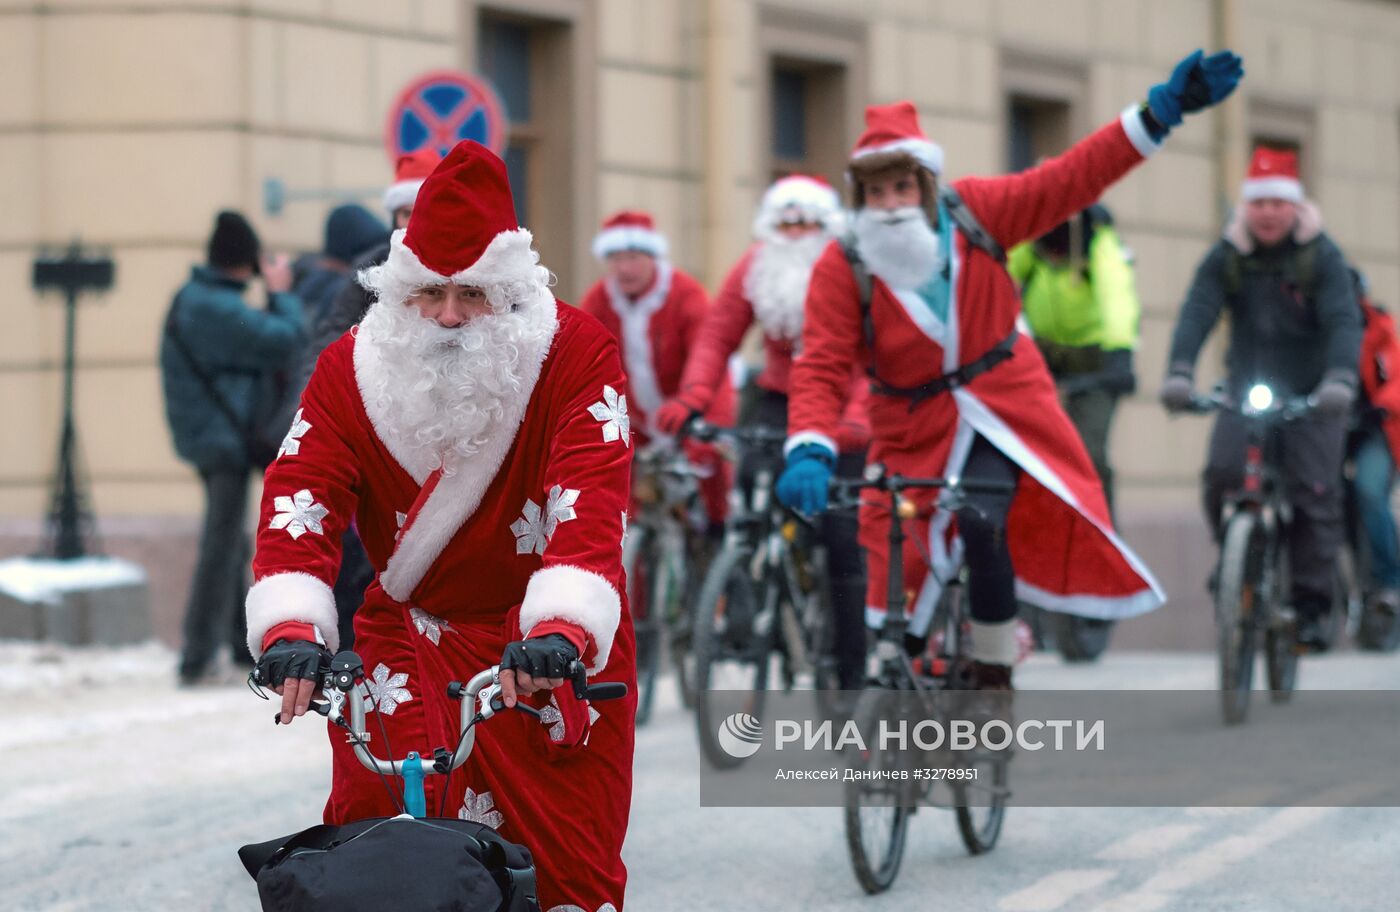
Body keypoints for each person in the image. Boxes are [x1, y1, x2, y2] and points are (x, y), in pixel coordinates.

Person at [245, 140, 634, 911]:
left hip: (542, 648)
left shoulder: (575, 354)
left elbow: (588, 496)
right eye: (427, 292)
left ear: (512, 292)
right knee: (371, 858)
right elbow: (302, 492)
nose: (448, 316)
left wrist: (563, 628)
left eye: (473, 294)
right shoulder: (348, 369)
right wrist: (292, 628)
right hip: (404, 638)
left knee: (565, 870)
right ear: (397, 290)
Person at [778, 48, 1245, 688]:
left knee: (978, 516)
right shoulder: (845, 263)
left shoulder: (978, 214)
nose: (890, 203)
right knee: (895, 562)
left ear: (927, 186)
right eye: (877, 190)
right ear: (861, 195)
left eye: (904, 186)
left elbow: (1074, 177)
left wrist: (1159, 112)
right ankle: (907, 680)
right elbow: (823, 362)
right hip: (911, 426)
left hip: (1001, 406)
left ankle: (994, 666)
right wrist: (809, 446)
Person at [655, 175, 871, 688]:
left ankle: (849, 668)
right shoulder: (757, 266)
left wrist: (860, 418)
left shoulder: (851, 267)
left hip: (846, 405)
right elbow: (716, 334)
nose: (796, 232)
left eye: (808, 222)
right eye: (786, 222)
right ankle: (744, 605)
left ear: (828, 226)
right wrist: (692, 396)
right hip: (778, 400)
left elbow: (876, 356)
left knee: (842, 536)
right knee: (746, 494)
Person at [1161, 146, 1362, 651]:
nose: (1268, 213)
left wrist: (1339, 380)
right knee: (1222, 474)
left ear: (1294, 206)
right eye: (1260, 203)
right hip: (1244, 391)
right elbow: (1197, 311)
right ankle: (1236, 560)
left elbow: (1343, 320)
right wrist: (1179, 373)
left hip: (1315, 396)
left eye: (1278, 203)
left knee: (1314, 493)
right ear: (1246, 206)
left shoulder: (1322, 256)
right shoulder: (1228, 254)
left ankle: (1312, 607)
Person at [302, 150, 442, 652]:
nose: (411, 226)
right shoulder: (368, 275)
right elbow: (325, 349)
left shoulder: (476, 276)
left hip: (451, 444)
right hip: (378, 436)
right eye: (403, 215)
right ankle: (359, 662)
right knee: (362, 562)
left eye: (420, 212)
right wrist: (321, 415)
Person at [160, 210, 305, 685]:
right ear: (244, 261)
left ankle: (239, 644)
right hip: (221, 439)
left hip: (210, 435)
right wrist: (282, 293)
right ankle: (197, 655)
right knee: (220, 546)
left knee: (229, 540)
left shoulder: (197, 298)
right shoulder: (216, 308)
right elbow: (286, 339)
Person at [578, 211, 735, 530]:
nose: (624, 268)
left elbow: (710, 362)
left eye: (633, 257)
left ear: (652, 257)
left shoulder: (685, 294)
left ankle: (718, 540)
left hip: (689, 411)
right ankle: (633, 570)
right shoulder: (599, 299)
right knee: (623, 508)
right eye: (615, 259)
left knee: (708, 475)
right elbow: (582, 361)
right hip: (634, 422)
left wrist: (707, 423)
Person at [1008, 203, 1139, 514]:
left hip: (1096, 363)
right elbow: (1001, 276)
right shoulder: (1034, 239)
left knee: (1088, 453)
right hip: (1042, 358)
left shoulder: (1098, 242)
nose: (1053, 258)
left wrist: (1121, 354)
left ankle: (1104, 530)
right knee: (1026, 452)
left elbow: (1117, 297)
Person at [309, 148, 442, 355]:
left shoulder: (468, 265)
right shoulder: (370, 267)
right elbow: (333, 338)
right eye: (407, 213)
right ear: (394, 217)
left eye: (424, 210)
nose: (415, 222)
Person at [1348, 269, 1400, 615]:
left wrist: (1381, 406)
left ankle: (1389, 583)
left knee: (1369, 492)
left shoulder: (1378, 330)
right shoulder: (1307, 329)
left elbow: (1396, 378)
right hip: (1325, 429)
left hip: (1373, 431)